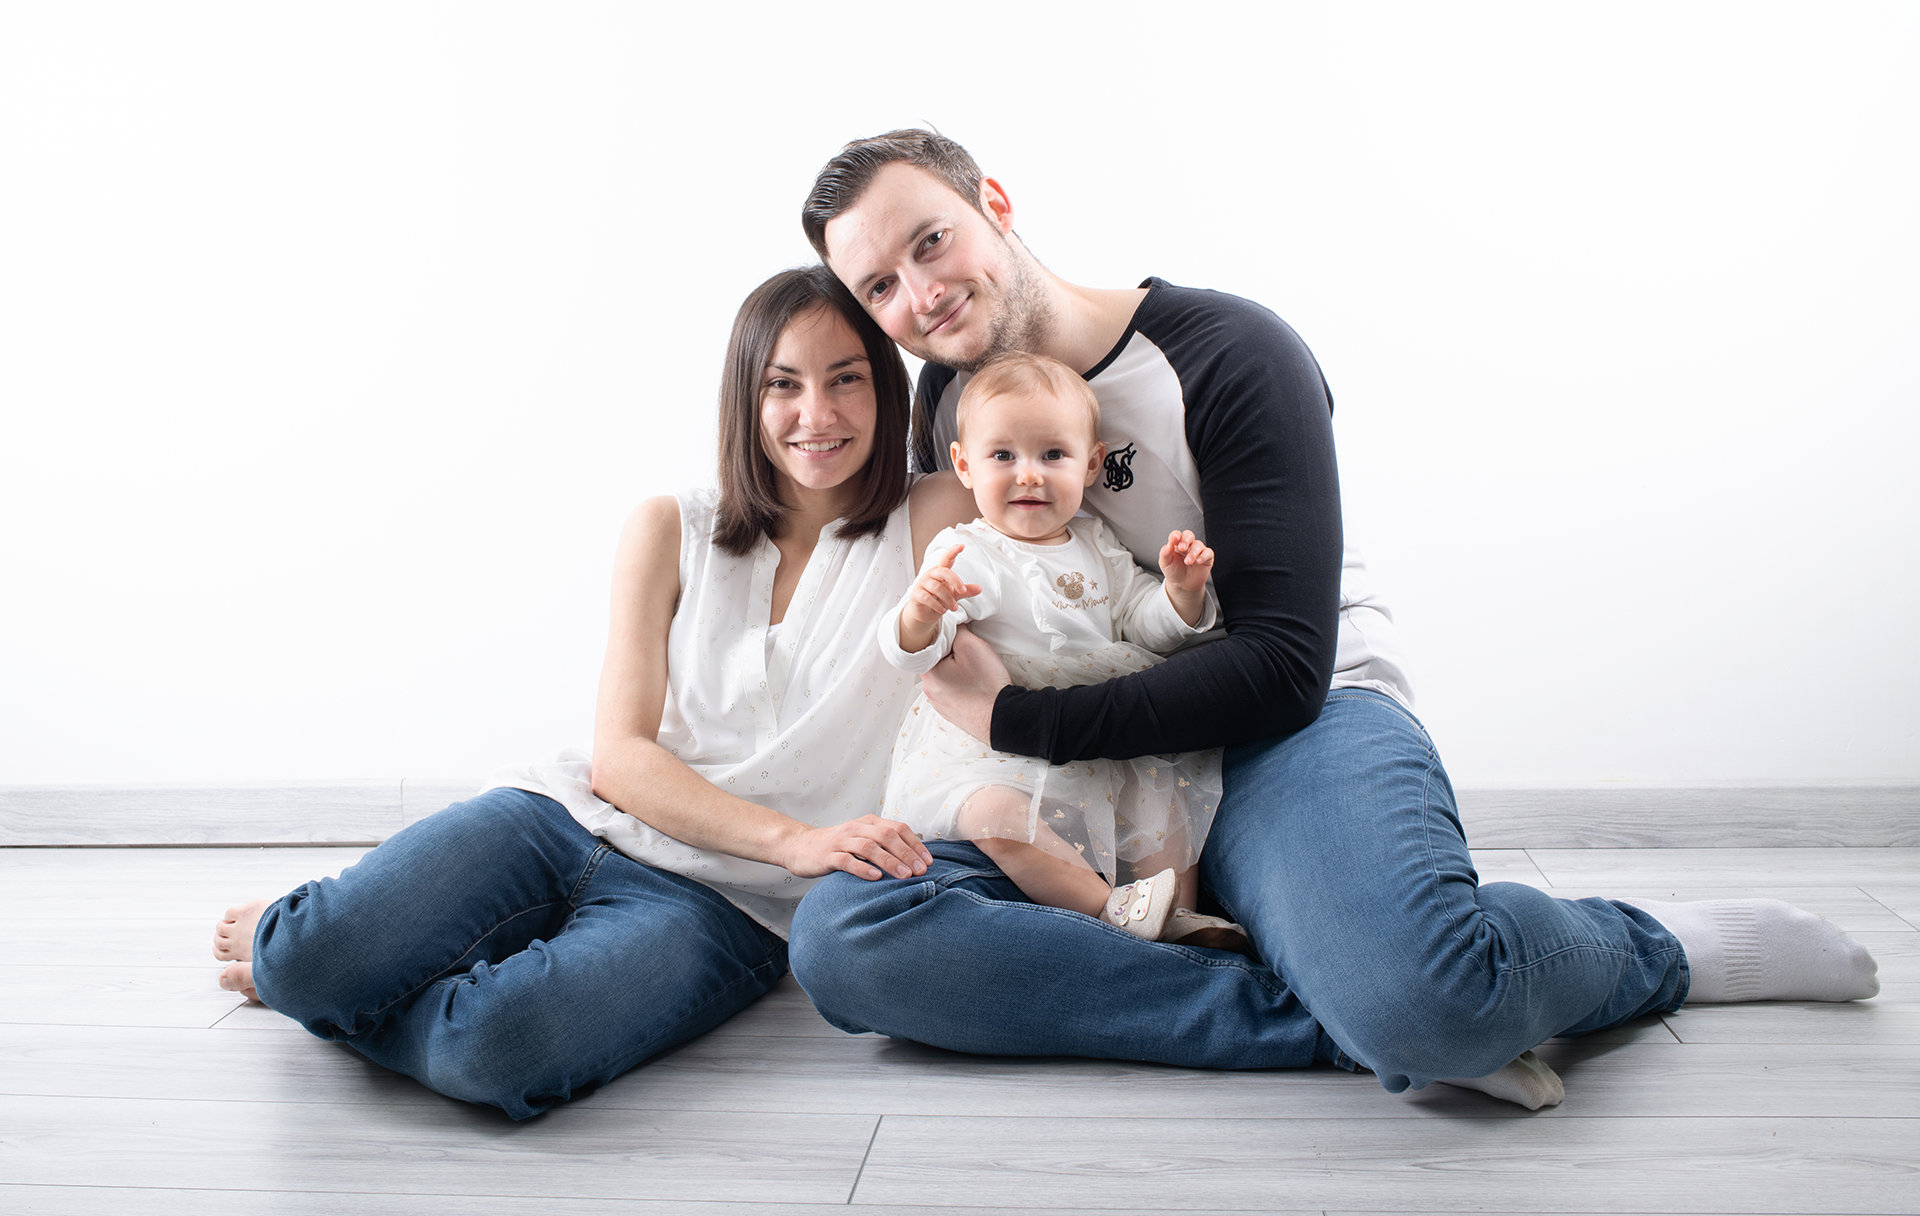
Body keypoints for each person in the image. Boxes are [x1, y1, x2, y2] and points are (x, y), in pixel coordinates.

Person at [787, 128, 1880, 1112]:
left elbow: (1283, 667)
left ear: (996, 202)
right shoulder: (948, 409)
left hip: (1286, 733)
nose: (919, 295)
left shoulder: (1226, 352)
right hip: (1081, 778)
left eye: (931, 243)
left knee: (1427, 1000)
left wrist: (1015, 718)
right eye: (880, 284)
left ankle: (1637, 952)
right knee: (847, 940)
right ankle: (1354, 1006)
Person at [210, 266, 975, 1119]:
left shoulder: (934, 514)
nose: (818, 416)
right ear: (744, 400)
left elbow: (1033, 427)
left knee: (491, 1048)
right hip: (559, 818)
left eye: (847, 380)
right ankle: (312, 971)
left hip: (729, 905)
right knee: (313, 957)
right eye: (782, 386)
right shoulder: (670, 524)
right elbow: (620, 757)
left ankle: (318, 983)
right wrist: (796, 838)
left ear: (890, 388)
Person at [879, 351, 1247, 949]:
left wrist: (1180, 594)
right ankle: (1113, 911)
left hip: (1101, 731)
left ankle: (1178, 916)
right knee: (991, 816)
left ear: (1093, 464)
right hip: (997, 748)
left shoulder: (1097, 543)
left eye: (1053, 455)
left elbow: (1136, 623)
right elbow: (923, 654)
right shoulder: (967, 551)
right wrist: (921, 613)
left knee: (1163, 794)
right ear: (964, 465)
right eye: (1003, 456)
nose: (1029, 474)